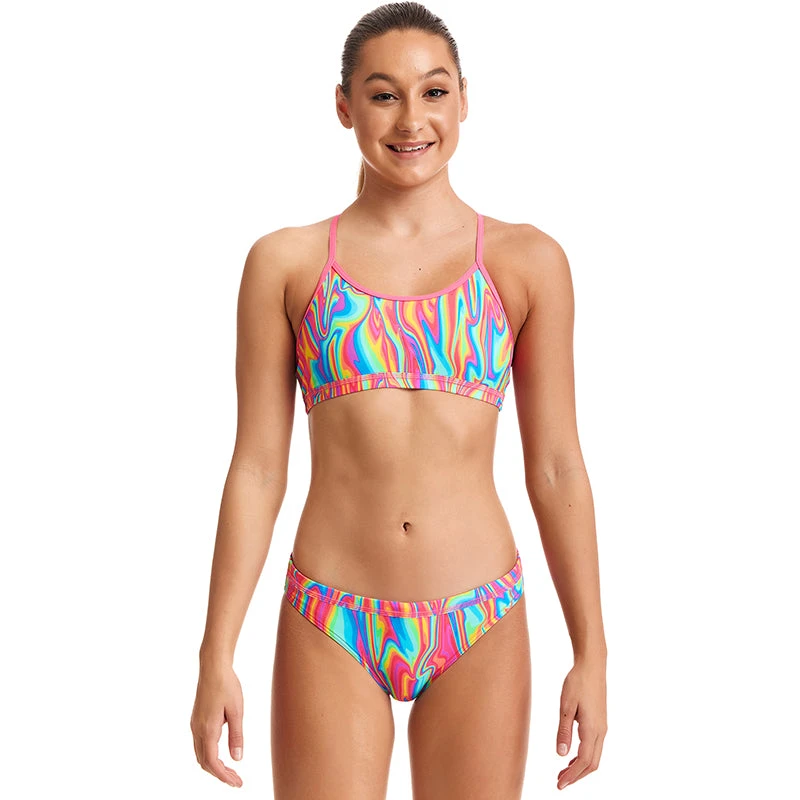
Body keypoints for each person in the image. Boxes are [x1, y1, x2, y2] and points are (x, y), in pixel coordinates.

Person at [190, 2, 607, 797]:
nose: (412, 118)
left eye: (434, 91)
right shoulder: (287, 263)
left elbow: (557, 466)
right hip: (330, 615)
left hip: (480, 616)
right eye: (383, 94)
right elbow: (256, 469)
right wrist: (217, 652)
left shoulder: (525, 262)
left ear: (464, 100)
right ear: (343, 106)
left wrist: (592, 651)